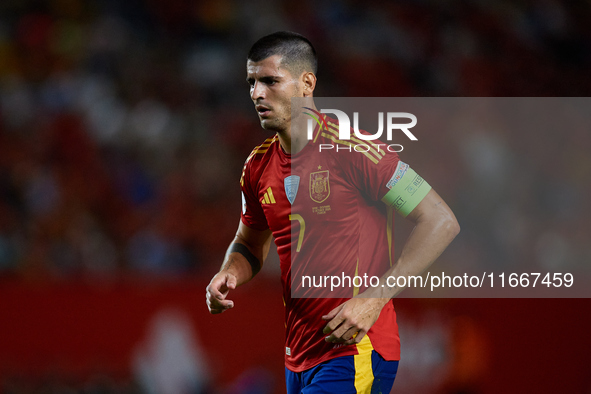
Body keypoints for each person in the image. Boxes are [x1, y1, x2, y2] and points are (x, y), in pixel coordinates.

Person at [206, 31, 460, 393]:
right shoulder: (257, 167)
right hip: (298, 356)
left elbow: (440, 221)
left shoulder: (355, 150)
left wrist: (374, 298)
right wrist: (228, 273)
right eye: (251, 82)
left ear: (306, 83)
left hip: (355, 348)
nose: (257, 94)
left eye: (270, 81)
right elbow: (249, 243)